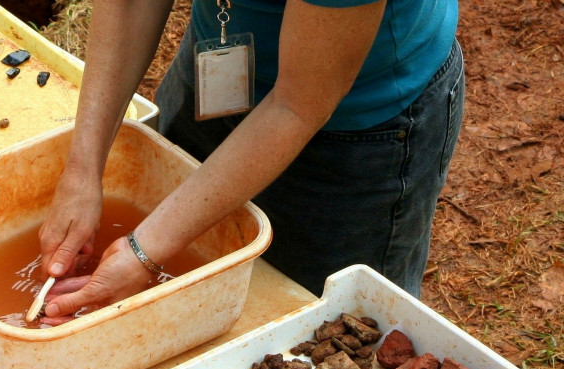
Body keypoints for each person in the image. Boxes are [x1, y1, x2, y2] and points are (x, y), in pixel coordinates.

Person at [37, 0, 464, 325]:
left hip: (357, 131)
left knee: (329, 330)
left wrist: (143, 252)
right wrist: (82, 170)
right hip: (222, 60)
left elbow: (298, 105)